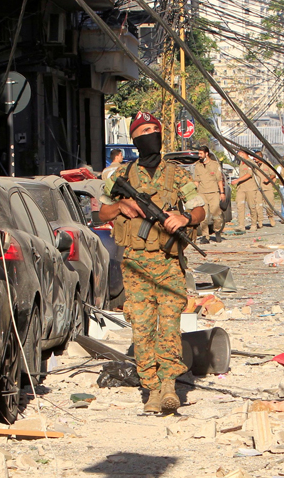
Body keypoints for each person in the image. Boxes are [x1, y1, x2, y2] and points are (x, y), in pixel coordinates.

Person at [99, 111, 206, 414]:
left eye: (154, 129)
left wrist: (184, 218)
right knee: (142, 328)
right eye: (143, 130)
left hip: (169, 261)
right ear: (134, 138)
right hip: (135, 264)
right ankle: (152, 390)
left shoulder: (177, 173)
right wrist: (121, 205)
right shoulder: (122, 176)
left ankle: (170, 386)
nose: (150, 134)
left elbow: (200, 208)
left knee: (170, 325)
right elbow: (102, 213)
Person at [194, 145, 225, 243]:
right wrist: (194, 193)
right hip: (202, 193)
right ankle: (205, 236)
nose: (199, 155)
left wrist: (222, 193)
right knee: (203, 216)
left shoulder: (215, 165)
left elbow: (219, 180)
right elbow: (196, 181)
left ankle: (217, 231)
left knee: (217, 214)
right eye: (198, 153)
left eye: (201, 153)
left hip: (213, 193)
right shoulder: (197, 165)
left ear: (206, 154)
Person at [231, 150, 260, 230]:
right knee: (240, 206)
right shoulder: (241, 162)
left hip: (250, 188)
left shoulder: (250, 162)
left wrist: (237, 180)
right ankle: (241, 225)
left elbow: (249, 174)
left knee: (252, 206)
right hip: (241, 188)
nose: (238, 155)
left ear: (243, 153)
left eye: (239, 153)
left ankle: (254, 224)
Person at [254, 151, 278, 227]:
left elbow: (273, 174)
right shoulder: (253, 165)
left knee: (270, 204)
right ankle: (260, 221)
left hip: (267, 187)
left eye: (255, 157)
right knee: (258, 205)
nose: (254, 159)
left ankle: (270, 217)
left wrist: (268, 179)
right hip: (258, 188)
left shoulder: (267, 164)